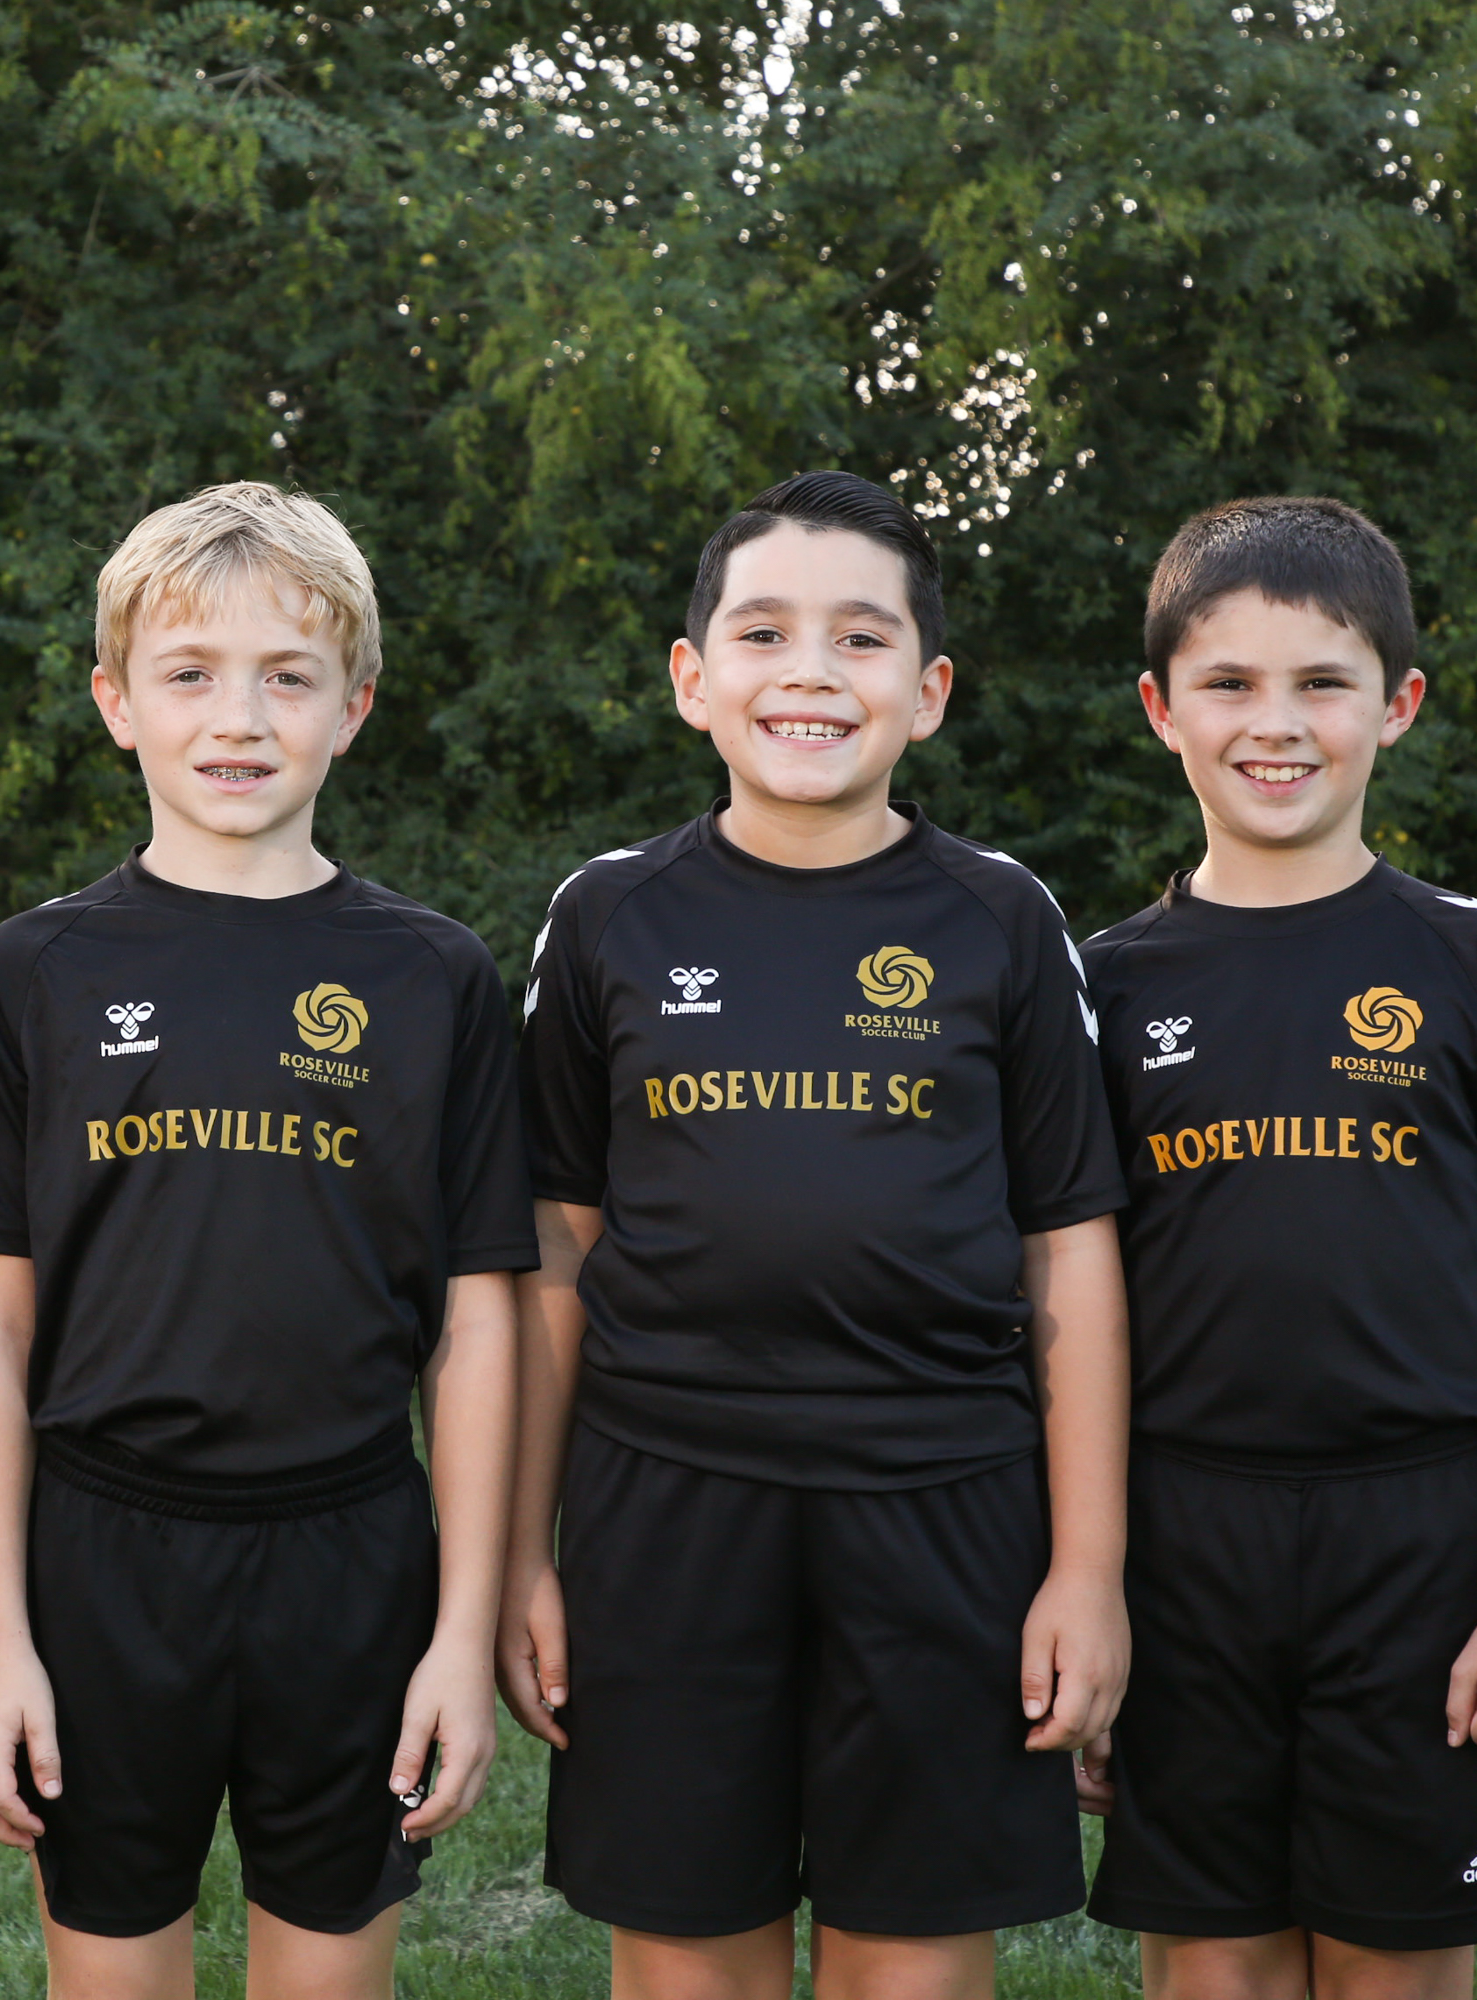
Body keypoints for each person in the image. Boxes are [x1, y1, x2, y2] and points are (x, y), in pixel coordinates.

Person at [506, 471, 1134, 2000]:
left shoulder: (1001, 919)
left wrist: (1088, 1569)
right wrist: (520, 1552)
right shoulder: (607, 918)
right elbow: (554, 1254)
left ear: (928, 692)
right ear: (691, 678)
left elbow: (1070, 1252)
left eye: (861, 638)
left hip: (944, 1505)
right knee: (682, 1961)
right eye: (764, 632)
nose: (810, 672)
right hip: (663, 1508)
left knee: (912, 1964)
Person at [0, 481, 536, 1999]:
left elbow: (479, 1327)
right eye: (190, 672)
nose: (240, 717)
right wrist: (0, 1641)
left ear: (353, 706)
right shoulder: (35, 972)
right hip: (102, 1556)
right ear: (115, 703)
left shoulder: (434, 978)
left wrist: (459, 1633)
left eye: (288, 674)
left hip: (352, 1554)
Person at [1079, 497, 1477, 2000]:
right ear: (1161, 710)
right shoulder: (1096, 990)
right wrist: (1087, 1588)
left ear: (1398, 704)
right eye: (1229, 683)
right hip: (1181, 1540)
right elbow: (1064, 1312)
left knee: (1398, 1964)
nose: (1277, 723)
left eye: (1323, 682)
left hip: (1422, 1538)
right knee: (1215, 1967)